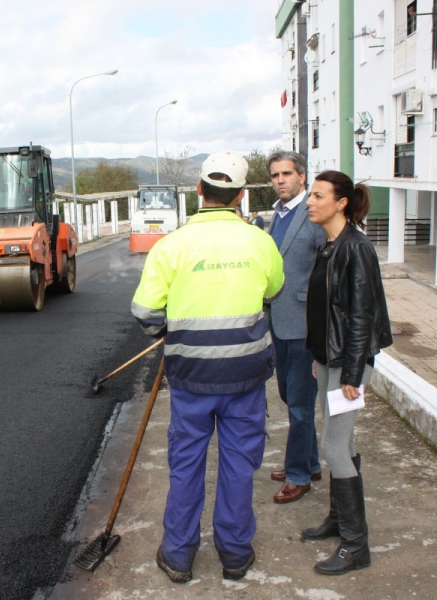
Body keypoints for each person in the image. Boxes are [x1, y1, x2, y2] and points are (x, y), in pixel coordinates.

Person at [131, 151, 284, 583]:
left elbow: (144, 312)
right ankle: (235, 554)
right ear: (239, 196)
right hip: (245, 377)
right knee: (239, 464)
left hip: (191, 378)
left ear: (198, 190)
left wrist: (167, 330)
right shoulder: (260, 241)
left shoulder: (172, 244)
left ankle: (178, 555)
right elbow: (274, 288)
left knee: (186, 463)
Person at [301, 170, 392, 575]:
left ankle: (356, 546)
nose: (310, 202)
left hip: (348, 364)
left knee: (334, 446)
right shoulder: (330, 246)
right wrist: (317, 357)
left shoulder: (356, 248)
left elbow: (362, 317)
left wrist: (353, 374)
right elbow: (325, 311)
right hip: (330, 360)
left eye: (318, 196)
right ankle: (339, 522)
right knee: (344, 439)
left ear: (340, 203)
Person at [265, 150, 326, 504]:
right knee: (290, 397)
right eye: (274, 175)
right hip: (279, 322)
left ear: (303, 176)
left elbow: (326, 271)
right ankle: (311, 462)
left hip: (305, 326)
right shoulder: (277, 215)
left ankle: (299, 475)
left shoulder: (313, 213)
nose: (280, 180)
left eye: (286, 173)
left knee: (301, 405)